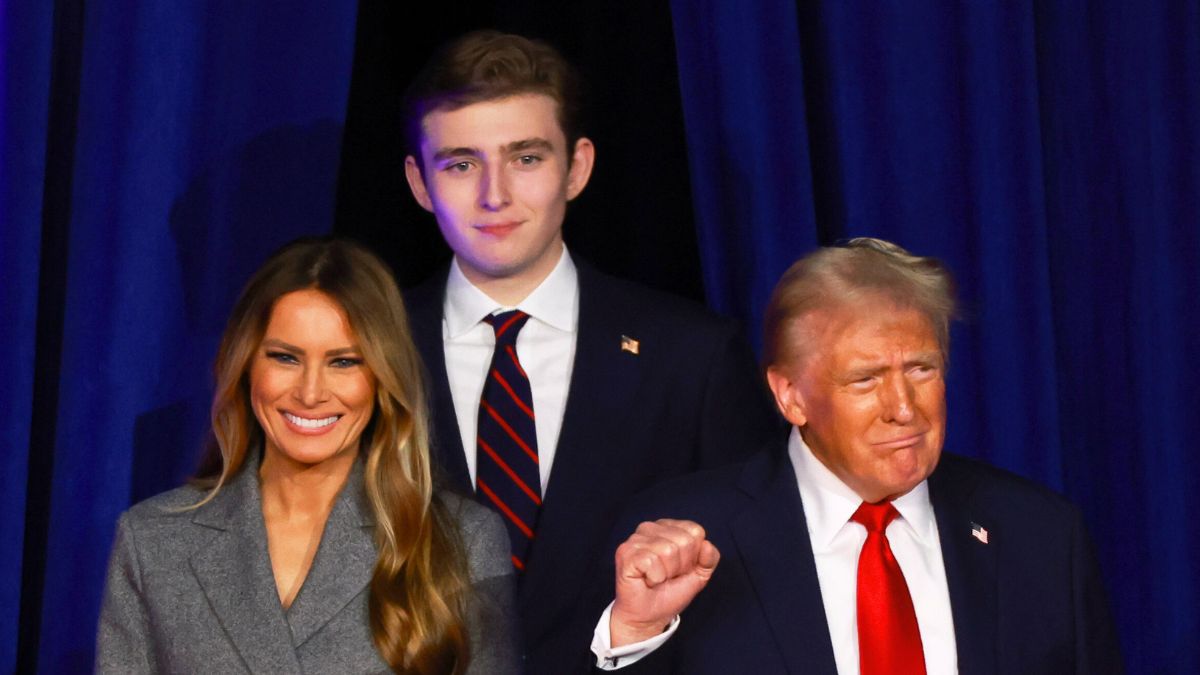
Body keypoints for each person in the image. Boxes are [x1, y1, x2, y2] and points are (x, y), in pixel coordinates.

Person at [400, 30, 779, 672]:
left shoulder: (692, 357)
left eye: (525, 158)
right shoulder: (365, 350)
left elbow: (756, 587)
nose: (494, 195)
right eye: (462, 164)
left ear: (576, 168)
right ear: (418, 181)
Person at [592, 238, 1123, 674]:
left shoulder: (1042, 536)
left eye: (921, 369)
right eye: (865, 380)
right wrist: (637, 631)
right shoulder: (688, 540)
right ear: (790, 396)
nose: (903, 408)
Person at [96, 239, 519, 674]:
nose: (310, 393)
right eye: (285, 357)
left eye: (343, 362)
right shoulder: (153, 541)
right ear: (246, 365)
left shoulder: (463, 542)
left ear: (381, 376)